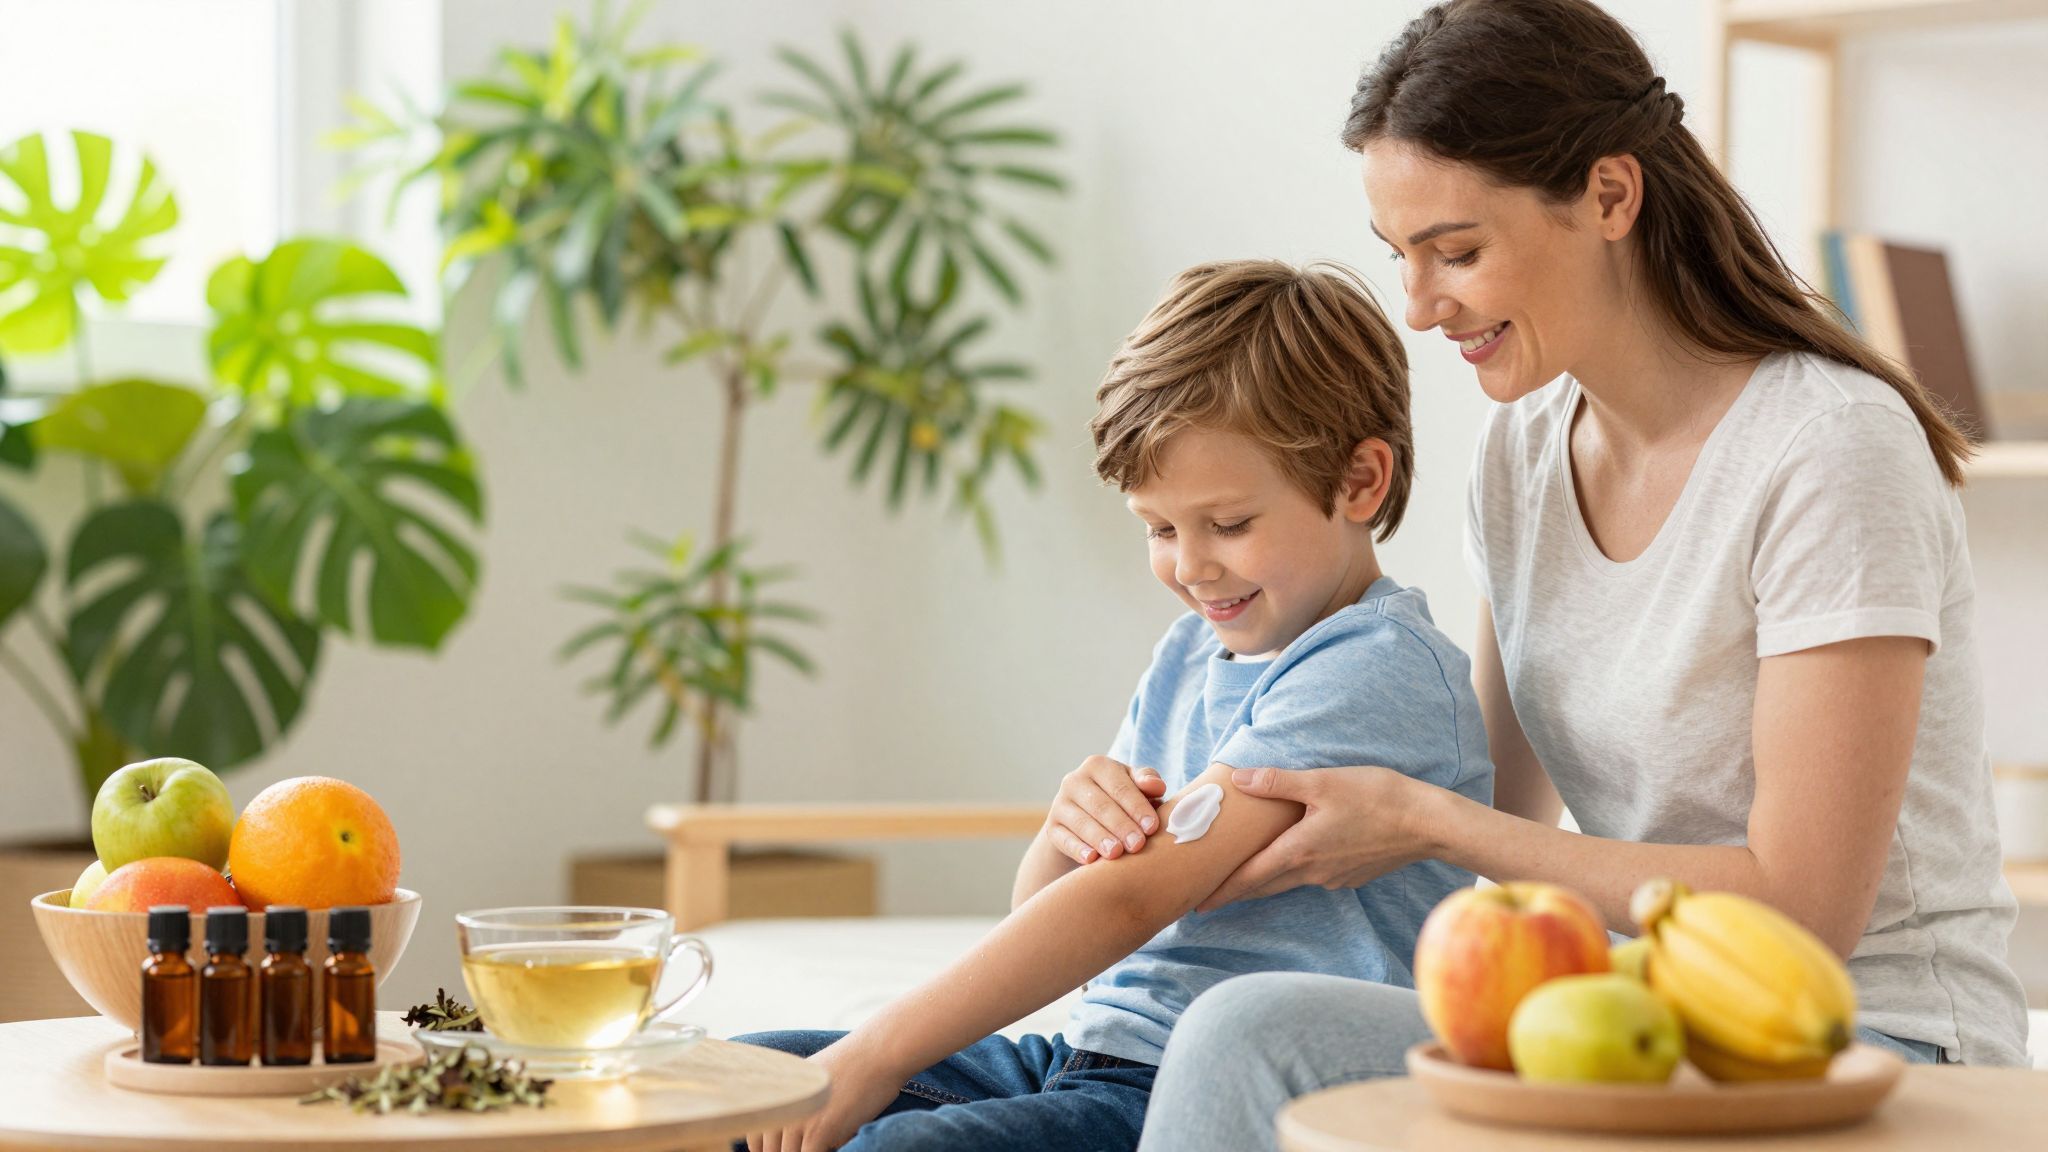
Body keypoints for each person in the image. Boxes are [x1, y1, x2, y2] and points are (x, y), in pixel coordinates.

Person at [1027, 4, 2029, 1150]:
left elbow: (1801, 912)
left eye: (1455, 252)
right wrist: (1150, 825)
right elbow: (1497, 806)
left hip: (1866, 1043)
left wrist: (1422, 822)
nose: (1418, 307)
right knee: (1242, 1022)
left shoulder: (1828, 449)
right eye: (1399, 256)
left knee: (1248, 1035)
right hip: (1627, 1020)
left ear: (1608, 196)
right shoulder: (1523, 453)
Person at [734, 259, 1494, 1152]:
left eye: (1229, 525)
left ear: (1360, 481)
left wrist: (877, 1053)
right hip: (1091, 1053)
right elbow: (1051, 912)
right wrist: (1066, 833)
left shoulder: (1377, 666)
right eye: (1159, 529)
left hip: (1203, 1090)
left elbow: (1127, 903)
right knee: (731, 1089)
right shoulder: (1192, 654)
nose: (1190, 566)